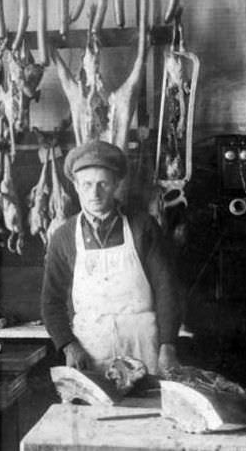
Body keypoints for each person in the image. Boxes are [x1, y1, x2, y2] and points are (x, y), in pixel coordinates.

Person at [41, 140, 181, 375]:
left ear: (116, 184)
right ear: (75, 186)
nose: (94, 193)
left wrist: (168, 345)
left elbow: (167, 288)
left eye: (102, 184)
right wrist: (69, 346)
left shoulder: (143, 226)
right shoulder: (63, 236)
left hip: (143, 344)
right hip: (90, 348)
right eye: (86, 185)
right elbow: (50, 302)